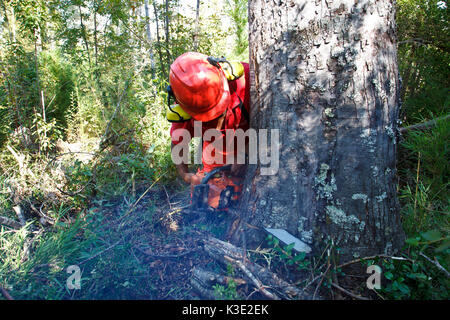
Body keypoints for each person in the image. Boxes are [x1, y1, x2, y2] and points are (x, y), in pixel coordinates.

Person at [167, 52, 251, 186]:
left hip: (251, 148)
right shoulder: (186, 101)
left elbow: (273, 125)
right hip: (214, 157)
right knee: (206, 195)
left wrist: (246, 155)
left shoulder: (247, 81)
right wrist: (185, 175)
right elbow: (178, 143)